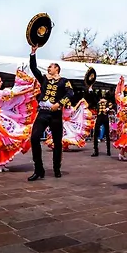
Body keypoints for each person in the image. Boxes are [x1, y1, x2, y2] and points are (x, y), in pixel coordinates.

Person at [28, 45, 74, 181]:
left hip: (55, 115)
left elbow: (70, 93)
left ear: (57, 69)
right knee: (34, 138)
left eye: (50, 67)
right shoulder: (44, 79)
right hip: (43, 113)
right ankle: (38, 169)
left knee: (57, 142)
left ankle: (56, 168)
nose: (48, 68)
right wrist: (33, 53)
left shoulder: (64, 81)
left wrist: (59, 104)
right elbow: (34, 69)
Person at [91, 91, 112, 157]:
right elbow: (93, 97)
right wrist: (91, 90)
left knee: (107, 134)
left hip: (105, 117)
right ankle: (96, 151)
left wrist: (108, 108)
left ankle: (108, 151)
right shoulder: (98, 102)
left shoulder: (108, 102)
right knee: (96, 133)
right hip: (99, 117)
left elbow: (111, 105)